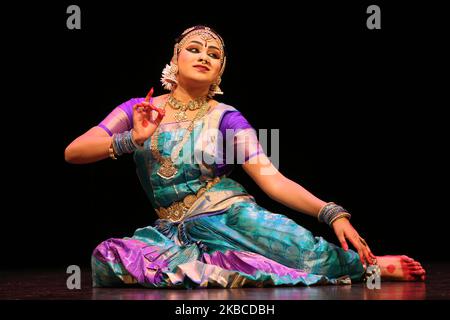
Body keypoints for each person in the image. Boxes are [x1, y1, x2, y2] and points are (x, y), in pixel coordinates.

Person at [65, 25, 426, 288]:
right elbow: (74, 152)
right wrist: (132, 138)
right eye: (194, 48)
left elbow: (271, 178)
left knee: (298, 250)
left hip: (230, 214)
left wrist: (331, 213)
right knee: (108, 259)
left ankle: (370, 265)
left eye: (214, 54)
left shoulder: (226, 117)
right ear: (175, 57)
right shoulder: (137, 109)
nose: (204, 56)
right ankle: (217, 268)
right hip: (173, 232)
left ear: (220, 71)